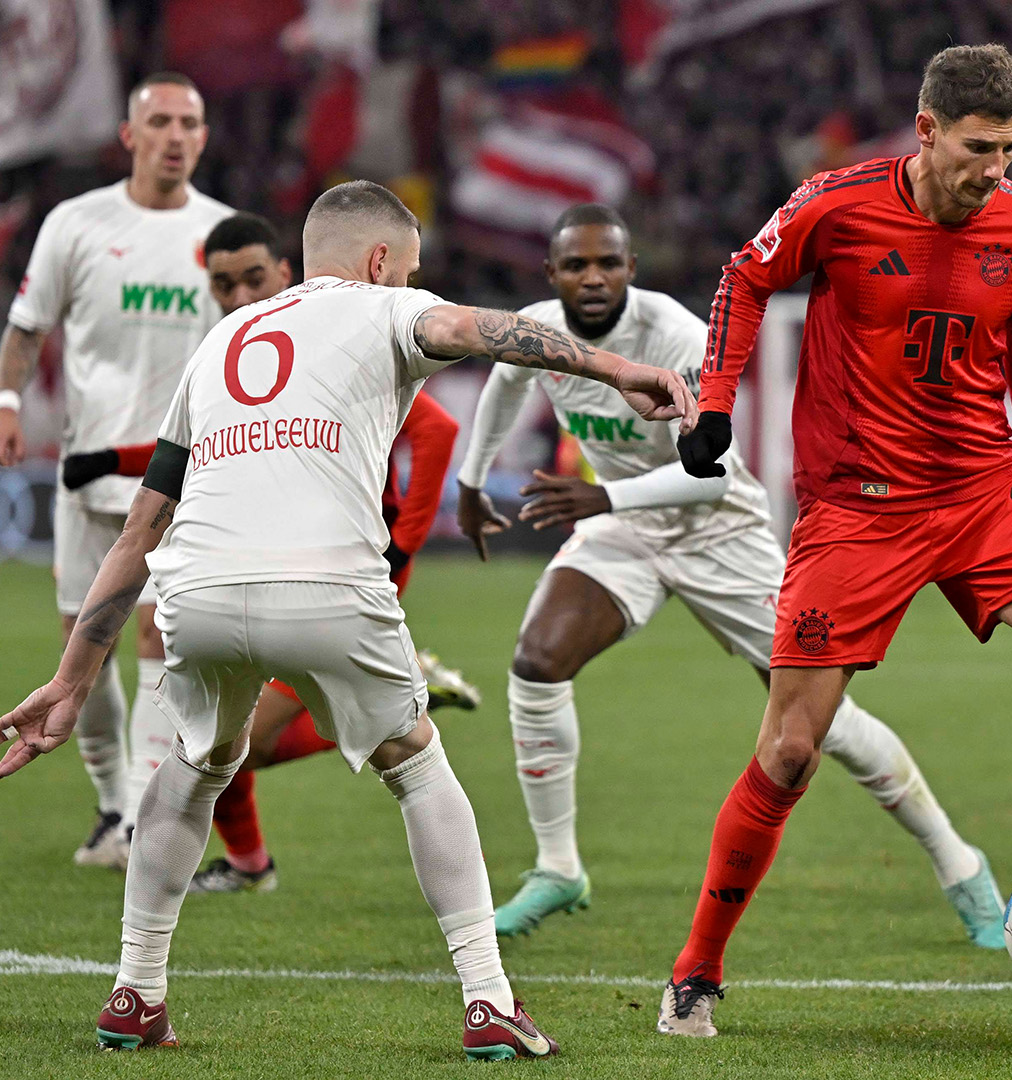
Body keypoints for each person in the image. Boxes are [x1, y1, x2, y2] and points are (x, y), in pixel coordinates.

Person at [0, 179, 697, 1057]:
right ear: (380, 264)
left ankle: (135, 993)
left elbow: (143, 528)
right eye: (409, 269)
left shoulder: (220, 341)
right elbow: (476, 330)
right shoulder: (384, 308)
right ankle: (488, 1000)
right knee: (415, 763)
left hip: (199, 592)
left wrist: (71, 677)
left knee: (195, 762)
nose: (414, 283)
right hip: (326, 586)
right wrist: (618, 366)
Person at [658, 44, 1012, 1038]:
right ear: (925, 131)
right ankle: (696, 969)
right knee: (788, 750)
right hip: (858, 510)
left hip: (985, 495)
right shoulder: (837, 203)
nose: (996, 167)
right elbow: (744, 279)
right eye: (979, 146)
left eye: (1011, 148)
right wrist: (714, 405)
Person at [455, 203, 1005, 944]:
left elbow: (708, 478)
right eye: (576, 265)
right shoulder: (537, 327)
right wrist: (470, 478)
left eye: (608, 263)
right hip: (627, 524)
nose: (593, 277)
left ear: (631, 270)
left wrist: (599, 495)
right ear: (551, 275)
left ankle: (960, 863)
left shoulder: (676, 335)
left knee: (820, 726)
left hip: (721, 530)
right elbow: (509, 381)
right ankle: (558, 868)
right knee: (535, 662)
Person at [60, 211, 483, 894]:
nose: (237, 298)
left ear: (289, 274)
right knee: (218, 741)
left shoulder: (349, 336)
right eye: (222, 285)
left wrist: (401, 552)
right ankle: (250, 865)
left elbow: (436, 429)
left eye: (252, 278)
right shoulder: (234, 350)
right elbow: (195, 453)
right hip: (259, 569)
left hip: (336, 579)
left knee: (230, 748)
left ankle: (181, 931)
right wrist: (110, 457)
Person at [0, 73, 232, 867]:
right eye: (159, 120)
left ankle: (142, 814)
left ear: (204, 137)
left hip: (181, 480)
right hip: (84, 471)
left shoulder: (225, 236)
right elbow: (27, 326)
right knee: (83, 654)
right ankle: (110, 808)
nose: (175, 134)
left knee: (156, 632)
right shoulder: (77, 222)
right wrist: (5, 400)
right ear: (129, 136)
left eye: (189, 122)